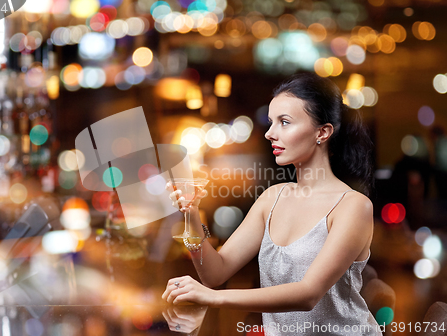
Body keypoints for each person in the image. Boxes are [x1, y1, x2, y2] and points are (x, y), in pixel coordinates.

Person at [162, 72, 381, 335]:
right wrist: (191, 215)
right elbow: (214, 273)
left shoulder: (353, 206)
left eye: (284, 122)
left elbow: (307, 294)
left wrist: (213, 297)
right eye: (270, 122)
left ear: (322, 132)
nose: (269, 133)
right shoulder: (272, 198)